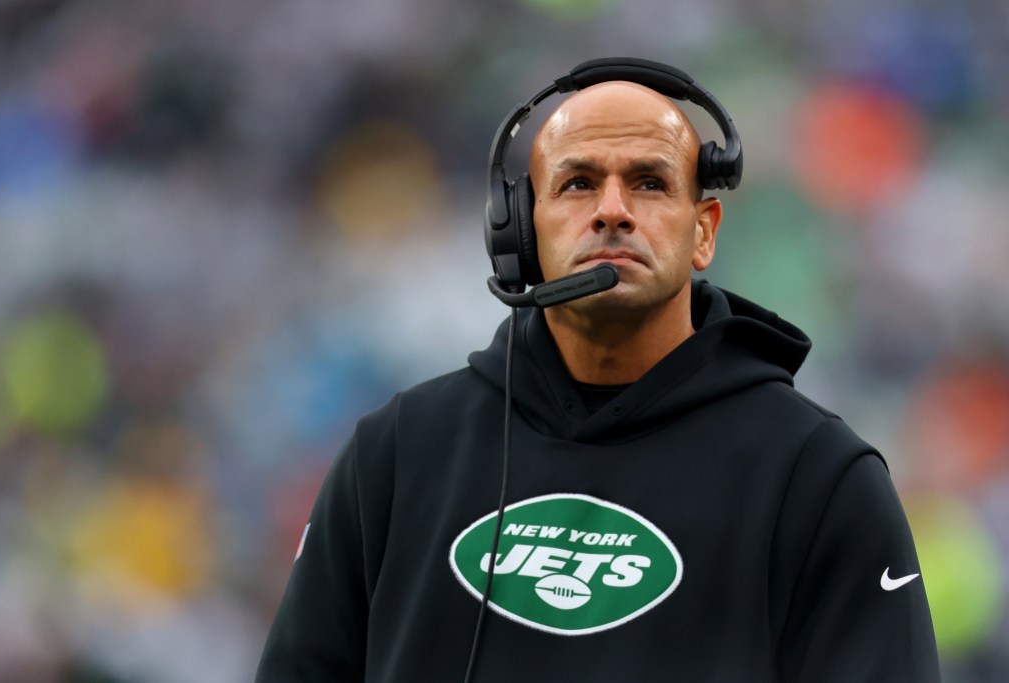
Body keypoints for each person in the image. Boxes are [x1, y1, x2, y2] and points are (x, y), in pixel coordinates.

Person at [255, 60, 940, 682]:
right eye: (579, 183)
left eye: (648, 182)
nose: (612, 210)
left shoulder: (819, 478)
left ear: (703, 230)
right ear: (520, 232)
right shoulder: (395, 454)